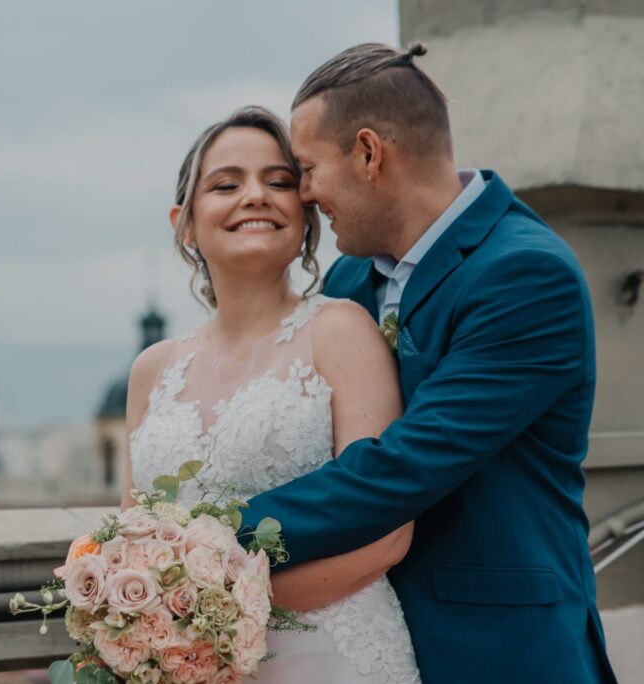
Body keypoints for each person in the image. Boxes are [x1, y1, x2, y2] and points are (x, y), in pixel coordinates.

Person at [239, 43, 617, 683]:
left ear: (368, 154)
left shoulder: (527, 275)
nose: (303, 195)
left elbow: (401, 466)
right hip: (364, 643)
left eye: (306, 169)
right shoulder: (349, 278)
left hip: (499, 649)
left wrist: (211, 534)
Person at [123, 106, 422, 682]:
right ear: (184, 221)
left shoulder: (341, 330)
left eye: (279, 182)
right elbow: (132, 539)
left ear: (305, 216)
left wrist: (211, 619)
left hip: (329, 658)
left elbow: (385, 536)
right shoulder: (151, 370)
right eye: (226, 184)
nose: (255, 195)